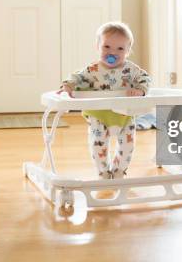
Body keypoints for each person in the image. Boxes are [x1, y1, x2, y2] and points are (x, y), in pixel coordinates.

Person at [59, 21, 151, 179]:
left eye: (120, 48)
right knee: (98, 144)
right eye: (107, 47)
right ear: (98, 46)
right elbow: (77, 77)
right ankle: (103, 172)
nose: (112, 52)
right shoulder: (92, 70)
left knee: (128, 145)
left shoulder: (131, 70)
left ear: (128, 51)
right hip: (99, 114)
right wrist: (68, 86)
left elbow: (145, 78)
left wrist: (140, 90)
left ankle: (119, 171)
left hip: (124, 115)